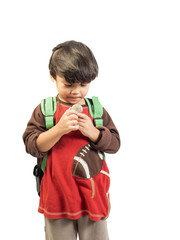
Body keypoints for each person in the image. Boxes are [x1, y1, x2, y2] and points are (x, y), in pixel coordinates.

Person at [23, 40, 120, 240]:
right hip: (57, 199)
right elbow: (32, 145)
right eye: (68, 85)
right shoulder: (45, 110)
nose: (76, 91)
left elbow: (115, 144)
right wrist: (58, 130)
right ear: (52, 76)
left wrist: (95, 133)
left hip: (93, 198)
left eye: (84, 85)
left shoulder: (97, 110)